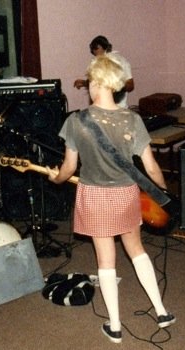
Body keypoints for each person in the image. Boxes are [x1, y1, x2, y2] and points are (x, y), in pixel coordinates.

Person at [47, 53, 175, 344]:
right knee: (137, 250)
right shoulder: (133, 119)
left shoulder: (76, 121)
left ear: (95, 83)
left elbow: (68, 169)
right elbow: (152, 168)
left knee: (106, 261)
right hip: (126, 195)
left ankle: (115, 326)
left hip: (95, 197)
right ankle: (162, 311)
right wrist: (164, 197)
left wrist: (54, 178)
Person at [74, 35, 134, 108]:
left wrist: (115, 86)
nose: (95, 56)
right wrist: (85, 83)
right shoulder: (122, 60)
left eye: (95, 52)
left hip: (114, 108)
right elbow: (101, 82)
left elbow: (130, 86)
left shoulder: (120, 61)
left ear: (99, 47)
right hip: (117, 109)